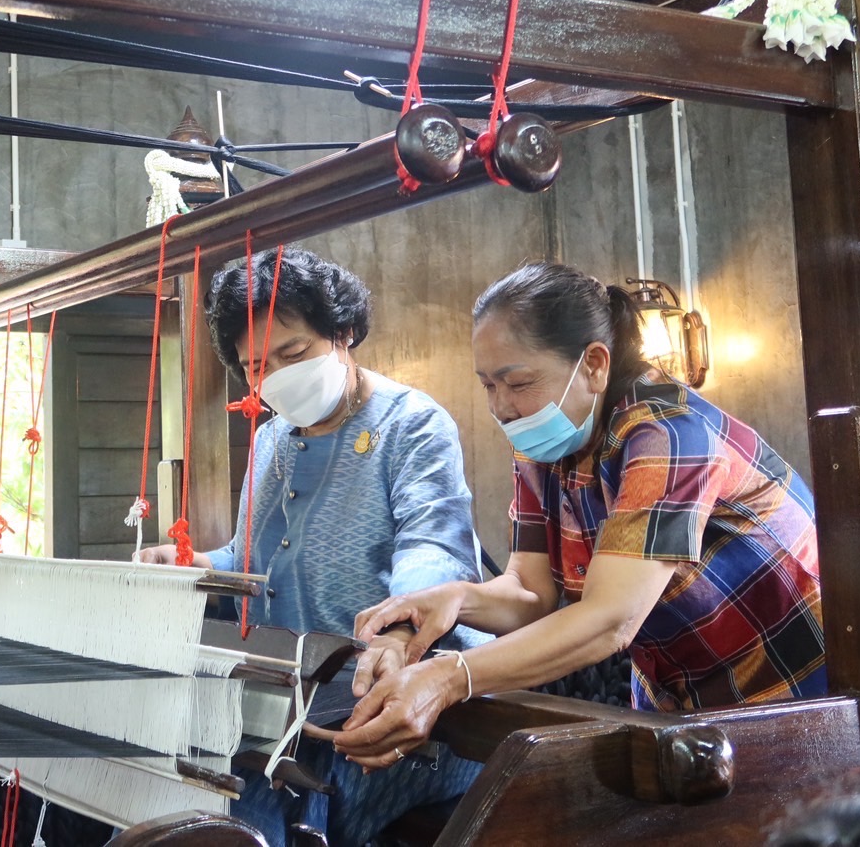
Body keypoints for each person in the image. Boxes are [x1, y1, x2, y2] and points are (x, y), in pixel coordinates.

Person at [337, 261, 825, 771]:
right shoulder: (540, 443)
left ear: (593, 364)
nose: (500, 408)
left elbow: (609, 620)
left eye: (518, 382)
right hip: (676, 696)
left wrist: (449, 676)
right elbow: (531, 591)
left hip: (787, 684)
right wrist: (454, 598)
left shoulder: (669, 434)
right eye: (487, 385)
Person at [137, 248, 489, 847]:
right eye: (256, 366)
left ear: (343, 333)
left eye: (293, 354)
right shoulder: (272, 440)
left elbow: (433, 554)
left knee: (258, 806)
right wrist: (196, 566)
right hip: (286, 704)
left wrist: (400, 632)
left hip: (388, 700)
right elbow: (252, 564)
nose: (274, 376)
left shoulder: (411, 424)